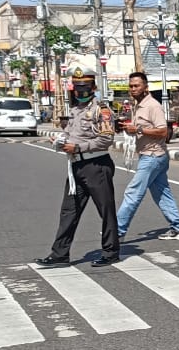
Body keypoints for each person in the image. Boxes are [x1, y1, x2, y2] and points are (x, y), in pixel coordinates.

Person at [34, 67, 120, 268]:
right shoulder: (74, 110)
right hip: (76, 166)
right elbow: (71, 135)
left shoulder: (102, 110)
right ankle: (60, 254)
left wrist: (79, 147)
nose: (81, 91)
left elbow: (106, 139)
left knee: (105, 210)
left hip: (96, 165)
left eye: (85, 87)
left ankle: (110, 252)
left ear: (93, 87)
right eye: (77, 87)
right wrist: (60, 141)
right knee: (69, 211)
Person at [115, 71, 179, 242]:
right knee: (162, 193)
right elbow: (142, 129)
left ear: (145, 87)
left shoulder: (152, 106)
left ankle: (117, 231)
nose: (133, 89)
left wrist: (138, 129)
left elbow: (163, 131)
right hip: (151, 155)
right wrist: (128, 129)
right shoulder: (138, 106)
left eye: (137, 86)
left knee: (133, 192)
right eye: (131, 86)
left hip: (153, 156)